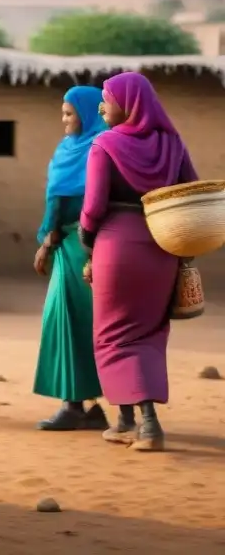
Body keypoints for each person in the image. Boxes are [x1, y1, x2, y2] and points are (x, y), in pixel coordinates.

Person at [80, 71, 198, 452]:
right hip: (162, 245)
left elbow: (94, 206)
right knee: (148, 333)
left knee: (113, 334)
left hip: (117, 244)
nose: (103, 106)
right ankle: (127, 420)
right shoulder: (172, 144)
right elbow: (192, 190)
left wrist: (86, 239)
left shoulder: (105, 144)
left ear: (127, 104)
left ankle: (147, 423)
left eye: (108, 99)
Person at [32, 86, 108, 431]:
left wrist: (47, 244)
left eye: (69, 113)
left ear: (87, 113)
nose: (63, 120)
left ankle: (73, 406)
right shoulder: (72, 149)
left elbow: (62, 205)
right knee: (86, 322)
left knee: (68, 322)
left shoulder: (99, 148)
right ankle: (92, 407)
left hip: (79, 247)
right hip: (82, 246)